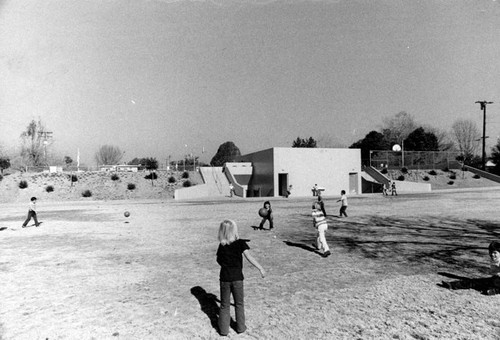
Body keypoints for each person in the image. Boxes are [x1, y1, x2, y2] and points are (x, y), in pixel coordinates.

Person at [216, 219, 265, 336]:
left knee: (224, 305)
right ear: (234, 231)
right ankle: (241, 327)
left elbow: (218, 260)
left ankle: (223, 330)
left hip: (224, 278)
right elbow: (249, 257)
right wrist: (260, 268)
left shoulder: (221, 245)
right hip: (237, 278)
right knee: (239, 304)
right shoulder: (240, 243)